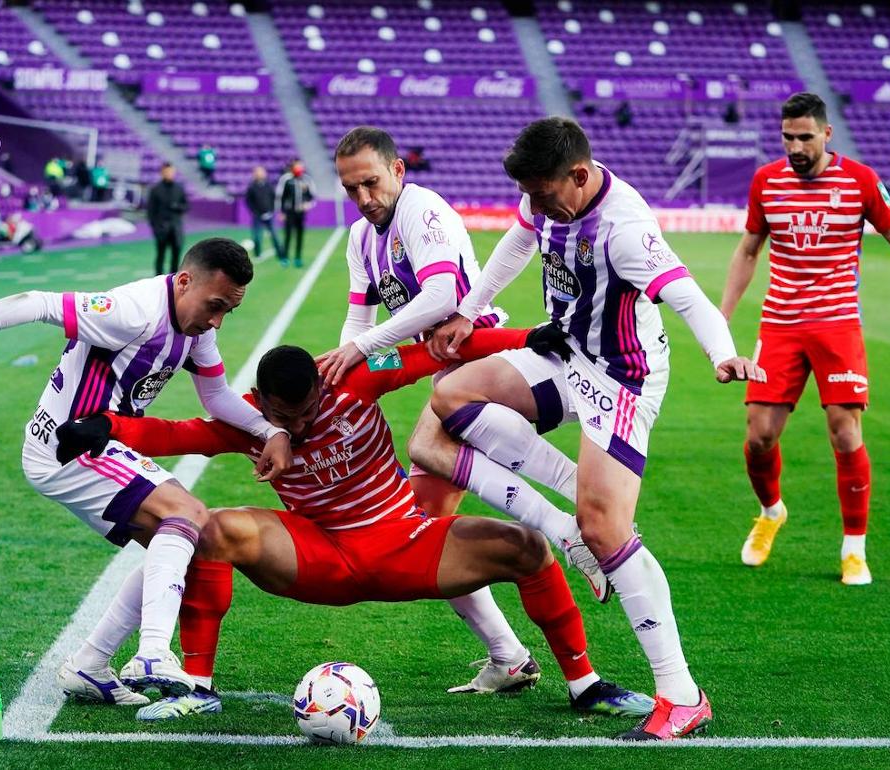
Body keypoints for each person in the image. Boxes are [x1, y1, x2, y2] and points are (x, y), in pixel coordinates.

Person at [54, 329, 654, 722]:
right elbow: (178, 433)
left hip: (405, 541)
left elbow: (436, 352)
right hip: (316, 553)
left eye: (308, 409)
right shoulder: (248, 419)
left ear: (321, 384)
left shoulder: (356, 377)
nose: (300, 424)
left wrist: (524, 338)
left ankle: (585, 685)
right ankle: (197, 686)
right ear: (261, 400)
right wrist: (107, 427)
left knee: (525, 545)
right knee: (212, 528)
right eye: (286, 416)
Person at [425, 116, 764, 740]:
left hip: (622, 377)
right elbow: (518, 242)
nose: (535, 206)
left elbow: (689, 298)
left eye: (543, 194)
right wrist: (469, 311)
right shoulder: (545, 198)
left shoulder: (624, 229)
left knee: (607, 530)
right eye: (527, 194)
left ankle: (681, 694)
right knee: (453, 396)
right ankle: (578, 504)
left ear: (579, 176)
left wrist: (724, 354)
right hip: (566, 352)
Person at [0, 238, 293, 702]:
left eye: (227, 311)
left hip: (100, 443)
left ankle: (89, 665)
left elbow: (216, 397)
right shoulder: (133, 312)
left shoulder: (197, 330)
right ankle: (152, 653)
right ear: (184, 281)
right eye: (215, 306)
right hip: (68, 445)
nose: (217, 321)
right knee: (187, 513)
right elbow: (38, 302)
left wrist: (270, 431)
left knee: (188, 542)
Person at [317, 126, 611, 695]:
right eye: (351, 189)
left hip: (483, 359)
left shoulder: (421, 211)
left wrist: (363, 349)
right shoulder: (360, 237)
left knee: (425, 449)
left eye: (371, 183)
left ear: (398, 170)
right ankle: (509, 656)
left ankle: (575, 528)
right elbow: (357, 321)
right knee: (425, 531)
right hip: (444, 369)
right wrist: (344, 379)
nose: (363, 198)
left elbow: (442, 299)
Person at [719, 92, 890, 586]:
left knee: (845, 431)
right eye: (787, 137)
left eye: (805, 137)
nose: (795, 147)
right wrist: (721, 318)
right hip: (780, 323)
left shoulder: (859, 180)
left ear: (826, 134)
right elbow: (749, 250)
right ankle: (771, 512)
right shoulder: (767, 181)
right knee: (759, 436)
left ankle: (854, 549)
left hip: (837, 324)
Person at [147, 163, 188, 275]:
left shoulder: (179, 188)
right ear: (162, 173)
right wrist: (155, 228)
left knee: (176, 255)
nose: (169, 174)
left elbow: (186, 206)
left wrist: (177, 207)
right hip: (161, 228)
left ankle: (174, 279)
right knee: (160, 255)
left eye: (171, 172)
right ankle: (158, 278)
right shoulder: (156, 189)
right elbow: (151, 211)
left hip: (176, 228)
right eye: (167, 172)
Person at [276, 160, 315, 267]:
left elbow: (312, 196)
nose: (299, 168)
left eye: (300, 166)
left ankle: (298, 258)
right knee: (288, 235)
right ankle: (285, 258)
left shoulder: (307, 180)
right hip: (289, 212)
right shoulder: (286, 179)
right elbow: (281, 196)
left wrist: (308, 204)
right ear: (293, 167)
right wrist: (282, 212)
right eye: (297, 166)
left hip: (301, 213)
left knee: (299, 235)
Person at [244, 166, 282, 260]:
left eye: (261, 172)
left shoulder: (269, 186)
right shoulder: (252, 187)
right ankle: (258, 254)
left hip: (269, 215)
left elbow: (273, 198)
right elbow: (248, 201)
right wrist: (254, 212)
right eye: (258, 172)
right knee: (257, 236)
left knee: (275, 235)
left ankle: (280, 254)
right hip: (257, 216)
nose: (260, 174)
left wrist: (271, 211)